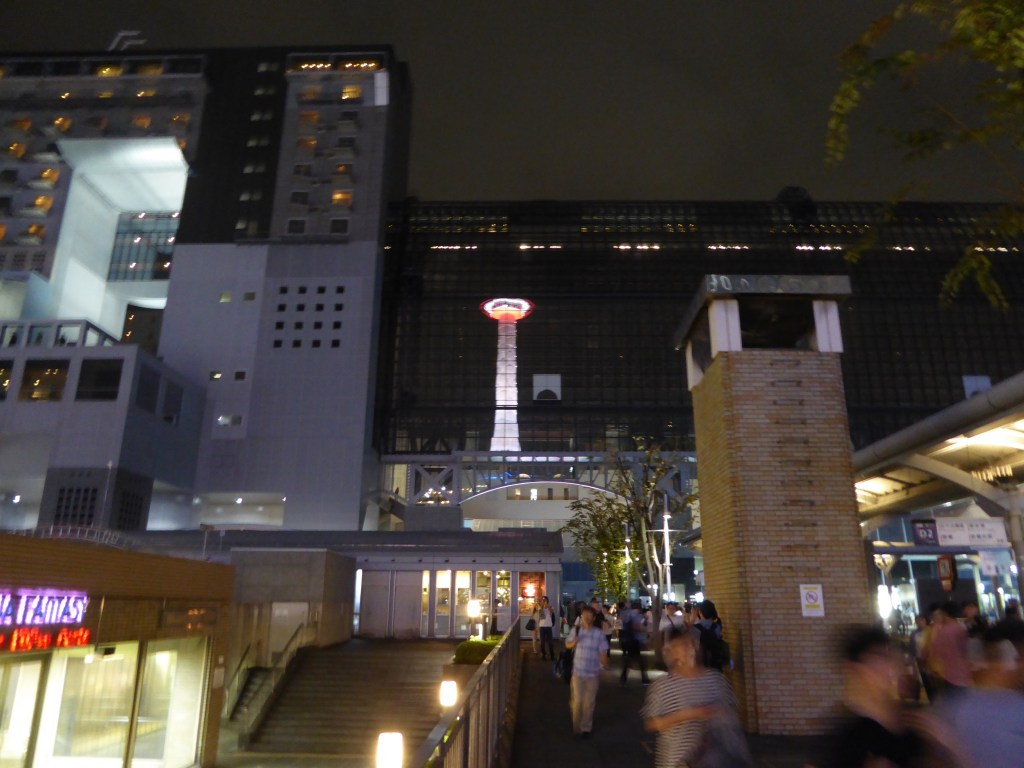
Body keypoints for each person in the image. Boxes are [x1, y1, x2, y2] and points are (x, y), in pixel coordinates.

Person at [820, 625, 931, 768]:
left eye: (889, 657)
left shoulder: (911, 721)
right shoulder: (850, 736)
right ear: (855, 669)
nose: (889, 667)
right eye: (879, 658)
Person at [642, 629, 748, 768]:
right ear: (671, 653)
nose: (689, 648)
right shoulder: (662, 686)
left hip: (715, 760)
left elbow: (731, 714)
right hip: (676, 761)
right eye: (681, 645)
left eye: (691, 643)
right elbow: (652, 724)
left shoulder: (716, 680)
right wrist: (689, 714)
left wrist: (717, 715)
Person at [565, 605, 609, 737]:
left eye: (590, 615)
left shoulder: (598, 633)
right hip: (578, 672)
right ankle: (576, 726)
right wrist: (574, 642)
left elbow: (603, 652)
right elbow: (567, 644)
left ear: (594, 618)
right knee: (578, 701)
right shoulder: (576, 630)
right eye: (585, 615)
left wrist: (605, 666)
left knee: (589, 702)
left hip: (592, 673)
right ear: (581, 617)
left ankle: (586, 728)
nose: (587, 617)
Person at [924, 601, 971, 698]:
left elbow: (934, 652)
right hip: (962, 673)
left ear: (944, 613)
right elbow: (965, 650)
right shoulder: (960, 628)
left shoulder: (941, 631)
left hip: (946, 673)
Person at [619, 599, 651, 685]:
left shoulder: (624, 613)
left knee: (630, 659)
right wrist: (645, 630)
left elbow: (621, 625)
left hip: (627, 639)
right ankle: (644, 679)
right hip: (635, 640)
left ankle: (624, 678)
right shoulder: (638, 616)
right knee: (638, 660)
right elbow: (638, 627)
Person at [537, 595, 556, 660]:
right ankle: (543, 655)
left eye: (545, 600)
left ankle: (552, 655)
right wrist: (542, 607)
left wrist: (547, 606)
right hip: (542, 626)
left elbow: (551, 612)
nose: (543, 601)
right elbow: (542, 616)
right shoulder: (539, 607)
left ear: (547, 601)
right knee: (542, 642)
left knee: (550, 642)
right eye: (542, 600)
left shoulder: (551, 607)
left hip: (548, 626)